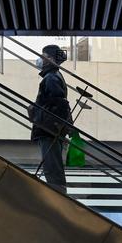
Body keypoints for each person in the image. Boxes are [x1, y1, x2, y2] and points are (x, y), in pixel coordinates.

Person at [29, 45, 71, 194]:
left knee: (52, 167)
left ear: (50, 59)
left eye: (43, 55)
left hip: (48, 129)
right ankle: (58, 194)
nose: (40, 59)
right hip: (51, 129)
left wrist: (34, 111)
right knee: (52, 165)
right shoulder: (54, 76)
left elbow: (57, 104)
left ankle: (58, 196)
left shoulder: (51, 77)